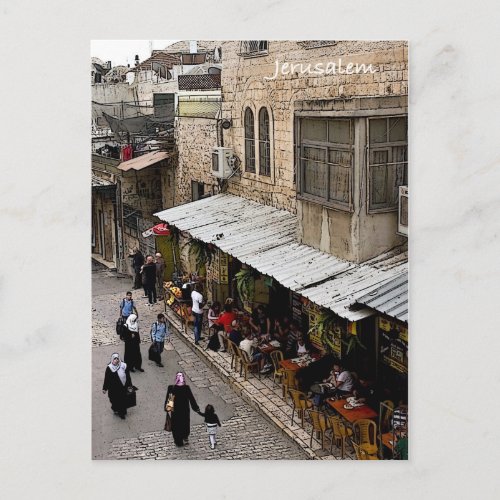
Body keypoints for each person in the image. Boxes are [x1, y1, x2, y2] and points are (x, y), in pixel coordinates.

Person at [164, 372, 200, 447]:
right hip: (184, 411)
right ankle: (185, 436)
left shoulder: (172, 388)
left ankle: (178, 441)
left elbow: (170, 400)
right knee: (185, 424)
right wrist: (196, 408)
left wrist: (167, 409)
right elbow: (191, 399)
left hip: (176, 412)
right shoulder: (186, 388)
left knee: (176, 425)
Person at [102, 353, 132, 420]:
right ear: (112, 359)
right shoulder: (109, 368)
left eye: (117, 358)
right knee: (113, 400)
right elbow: (106, 378)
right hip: (113, 388)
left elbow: (128, 377)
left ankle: (122, 413)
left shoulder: (123, 366)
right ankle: (115, 408)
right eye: (114, 359)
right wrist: (105, 388)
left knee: (122, 400)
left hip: (122, 387)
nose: (116, 360)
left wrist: (129, 386)